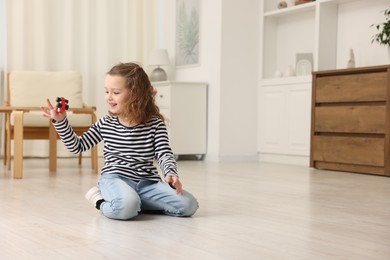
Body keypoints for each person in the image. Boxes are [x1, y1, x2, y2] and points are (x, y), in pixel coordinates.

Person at [40, 62, 199, 220]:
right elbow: (77, 146)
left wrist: (170, 172)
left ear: (136, 94)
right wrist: (61, 122)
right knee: (126, 207)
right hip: (115, 178)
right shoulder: (106, 123)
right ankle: (101, 200)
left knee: (188, 205)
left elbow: (164, 153)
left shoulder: (155, 124)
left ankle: (134, 203)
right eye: (106, 91)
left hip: (148, 184)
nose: (109, 97)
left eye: (115, 92)